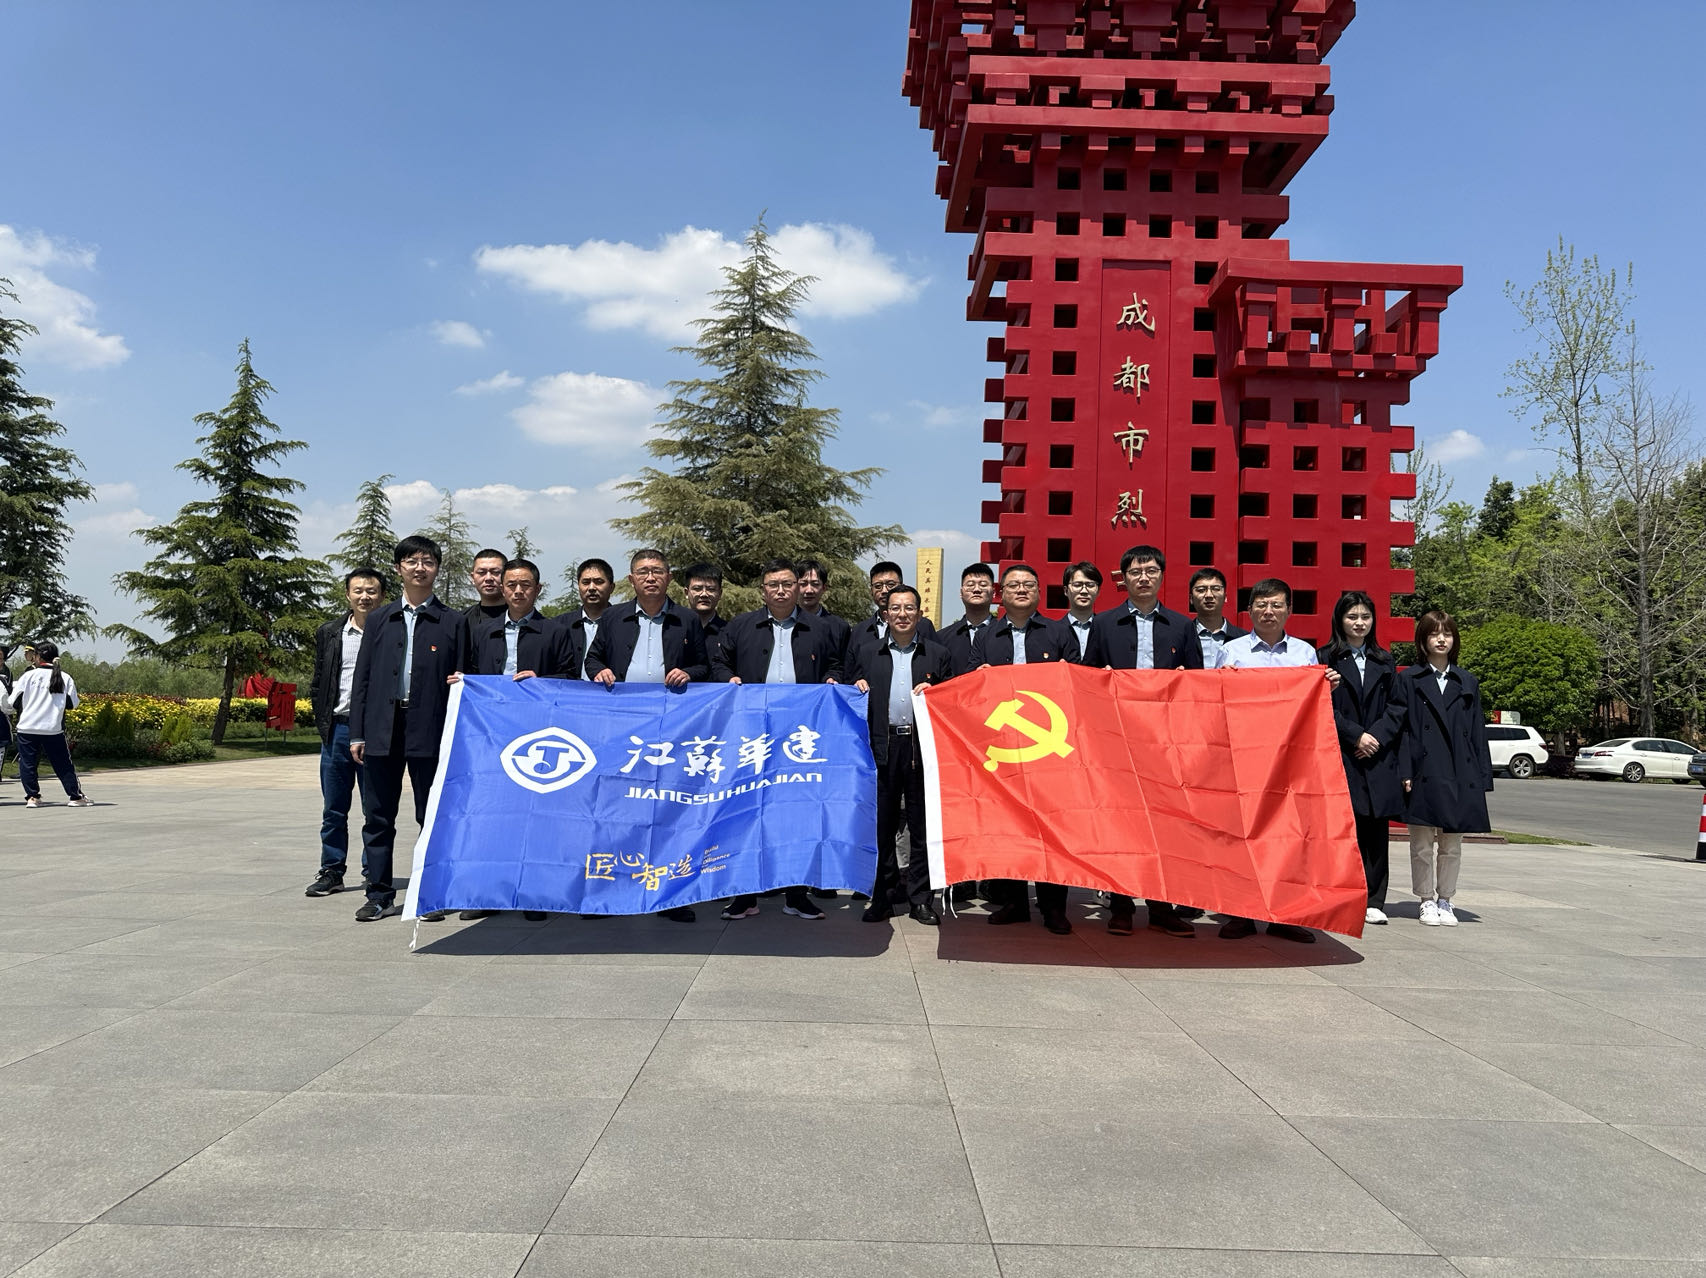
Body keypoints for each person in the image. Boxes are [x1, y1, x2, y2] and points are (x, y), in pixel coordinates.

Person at [1080, 545, 1205, 937]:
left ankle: (1162, 906)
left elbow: (1198, 682)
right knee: (1123, 823)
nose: (1144, 577)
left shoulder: (1182, 626)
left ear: (1162, 576)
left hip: (1166, 741)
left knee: (1166, 825)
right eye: (1135, 572)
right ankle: (1120, 906)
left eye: (1151, 570)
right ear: (1125, 579)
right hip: (1118, 737)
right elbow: (1086, 677)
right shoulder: (1104, 623)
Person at [711, 557, 844, 922]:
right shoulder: (742, 626)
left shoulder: (819, 629)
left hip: (800, 736)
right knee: (747, 811)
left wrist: (831, 679)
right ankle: (745, 895)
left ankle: (796, 894)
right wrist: (728, 679)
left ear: (799, 587)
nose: (782, 591)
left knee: (797, 813)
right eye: (774, 585)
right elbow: (719, 662)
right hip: (752, 734)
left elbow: (836, 664)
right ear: (763, 590)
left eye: (788, 584)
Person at [348, 536, 470, 921]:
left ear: (437, 568)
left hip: (430, 729)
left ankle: (430, 892)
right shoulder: (380, 619)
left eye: (428, 561)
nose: (420, 568)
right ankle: (379, 894)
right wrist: (357, 732)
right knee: (378, 817)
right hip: (382, 729)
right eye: (412, 561)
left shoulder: (454, 622)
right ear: (399, 567)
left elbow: (465, 678)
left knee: (430, 816)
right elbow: (363, 679)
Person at [1216, 577, 1326, 944]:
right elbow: (1215, 704)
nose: (1268, 611)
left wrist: (1326, 687)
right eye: (1261, 605)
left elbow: (1314, 708)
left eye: (1276, 605)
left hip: (1288, 761)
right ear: (1248, 611)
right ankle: (1241, 913)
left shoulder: (1305, 655)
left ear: (1288, 610)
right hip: (1244, 757)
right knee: (1242, 836)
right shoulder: (1231, 652)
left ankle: (1285, 915)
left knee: (1287, 837)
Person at [975, 562, 1079, 934]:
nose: (1022, 589)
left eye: (1029, 584)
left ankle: (1054, 908)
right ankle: (1014, 902)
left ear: (1038, 592)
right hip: (1002, 749)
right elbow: (968, 684)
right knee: (1010, 827)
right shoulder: (986, 635)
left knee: (1052, 828)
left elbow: (1080, 681)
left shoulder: (1059, 631)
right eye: (1014, 584)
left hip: (1049, 750)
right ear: (1001, 594)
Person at [846, 584, 953, 925]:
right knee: (882, 827)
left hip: (921, 749)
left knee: (921, 827)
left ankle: (921, 898)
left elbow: (953, 699)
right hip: (881, 746)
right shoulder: (867, 653)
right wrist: (856, 686)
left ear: (920, 614)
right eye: (895, 608)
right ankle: (882, 895)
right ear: (885, 614)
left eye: (909, 608)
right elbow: (848, 692)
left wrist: (937, 691)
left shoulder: (937, 654)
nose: (902, 614)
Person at [1399, 611, 1493, 927]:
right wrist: (1405, 770)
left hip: (1459, 771)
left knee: (1452, 845)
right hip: (1423, 769)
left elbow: (1477, 731)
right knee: (1422, 844)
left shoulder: (1467, 681)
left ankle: (1446, 899)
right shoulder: (1409, 679)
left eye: (1447, 634)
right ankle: (1426, 899)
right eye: (1434, 633)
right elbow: (1403, 730)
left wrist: (1481, 776)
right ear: (1423, 640)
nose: (1441, 639)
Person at [1319, 591, 1407, 926]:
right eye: (1352, 617)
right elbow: (1323, 705)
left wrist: (1375, 737)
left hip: (1377, 755)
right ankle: (1341, 895)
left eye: (1365, 617)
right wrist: (1356, 735)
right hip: (1343, 752)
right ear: (1340, 620)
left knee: (1375, 831)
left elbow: (1397, 707)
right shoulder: (1326, 657)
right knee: (1344, 828)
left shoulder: (1384, 660)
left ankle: (1373, 899)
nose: (1359, 623)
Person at [306, 568, 387, 898]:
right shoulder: (330, 632)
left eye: (371, 591)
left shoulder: (390, 633)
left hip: (374, 733)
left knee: (374, 810)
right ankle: (331, 870)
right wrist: (323, 721)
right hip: (337, 730)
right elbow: (318, 681)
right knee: (333, 809)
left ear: (382, 596)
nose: (364, 596)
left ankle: (374, 872)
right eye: (358, 591)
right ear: (348, 595)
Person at [585, 549, 710, 689]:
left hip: (670, 699)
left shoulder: (688, 619)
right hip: (621, 698)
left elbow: (703, 667)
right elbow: (592, 659)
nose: (650, 578)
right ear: (631, 580)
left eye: (657, 571)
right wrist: (600, 671)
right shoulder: (612, 616)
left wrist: (688, 674)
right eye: (643, 572)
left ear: (669, 578)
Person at [9, 642, 91, 808]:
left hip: (27, 727)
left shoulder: (28, 676)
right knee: (63, 764)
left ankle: (32, 797)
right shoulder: (64, 677)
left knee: (27, 763)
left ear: (38, 657)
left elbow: (13, 701)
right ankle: (75, 796)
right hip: (52, 728)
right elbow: (72, 704)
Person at [851, 560, 936, 653]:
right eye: (878, 586)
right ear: (871, 590)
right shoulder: (859, 631)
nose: (884, 591)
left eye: (890, 585)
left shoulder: (923, 626)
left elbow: (935, 656)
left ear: (902, 586)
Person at [559, 557, 616, 681]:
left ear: (612, 587)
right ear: (578, 586)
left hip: (610, 690)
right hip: (571, 691)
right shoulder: (560, 625)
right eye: (585, 582)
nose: (591, 588)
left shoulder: (623, 624)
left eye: (598, 582)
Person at [941, 562, 998, 677]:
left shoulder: (1005, 633)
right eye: (970, 585)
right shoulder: (942, 638)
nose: (976, 589)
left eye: (983, 585)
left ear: (993, 593)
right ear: (961, 593)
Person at [1187, 567, 1247, 668]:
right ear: (1191, 599)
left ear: (1225, 597)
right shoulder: (1181, 637)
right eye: (1201, 590)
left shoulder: (1243, 639)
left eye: (1216, 589)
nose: (1209, 595)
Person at [1060, 560, 1102, 659]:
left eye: (1090, 585)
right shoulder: (1054, 631)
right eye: (1077, 585)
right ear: (1066, 590)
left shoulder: (1106, 630)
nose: (1084, 591)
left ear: (1098, 591)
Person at [683, 562, 727, 646]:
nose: (704, 594)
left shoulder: (729, 632)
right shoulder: (675, 630)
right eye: (697, 589)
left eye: (711, 589)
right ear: (686, 592)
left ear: (720, 594)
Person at [466, 548, 510, 628]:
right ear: (472, 578)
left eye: (495, 572)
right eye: (482, 572)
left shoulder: (521, 617)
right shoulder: (462, 620)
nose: (488, 578)